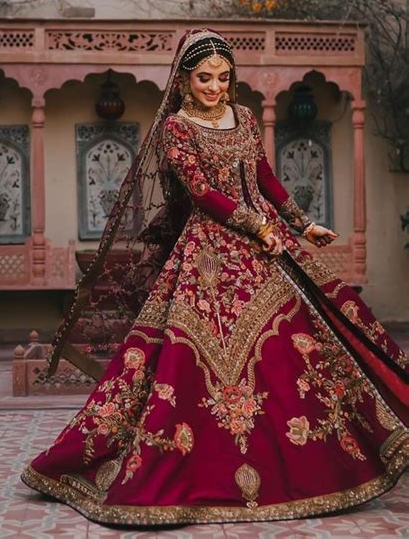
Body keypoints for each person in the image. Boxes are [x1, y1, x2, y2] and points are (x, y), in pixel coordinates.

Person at [21, 28, 408, 526]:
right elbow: (203, 193)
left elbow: (264, 176)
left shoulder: (244, 117)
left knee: (308, 347)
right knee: (187, 360)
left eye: (224, 77)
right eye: (205, 77)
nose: (215, 87)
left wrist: (300, 224)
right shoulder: (177, 129)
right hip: (211, 248)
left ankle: (326, 462)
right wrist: (257, 226)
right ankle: (194, 467)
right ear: (184, 80)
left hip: (269, 243)